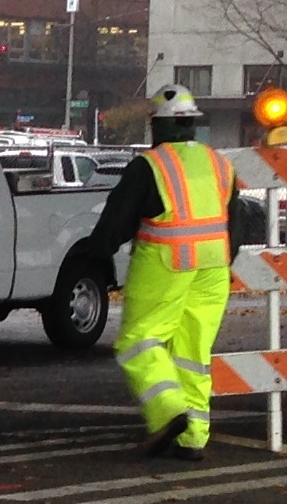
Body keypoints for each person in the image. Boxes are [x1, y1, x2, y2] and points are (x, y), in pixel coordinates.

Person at [86, 85, 239, 461]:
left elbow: (116, 222)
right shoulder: (220, 163)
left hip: (166, 264)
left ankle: (169, 411)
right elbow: (235, 220)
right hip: (214, 268)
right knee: (193, 353)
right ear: (191, 124)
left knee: (140, 342)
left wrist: (95, 255)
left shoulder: (150, 166)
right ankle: (193, 438)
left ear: (158, 126)